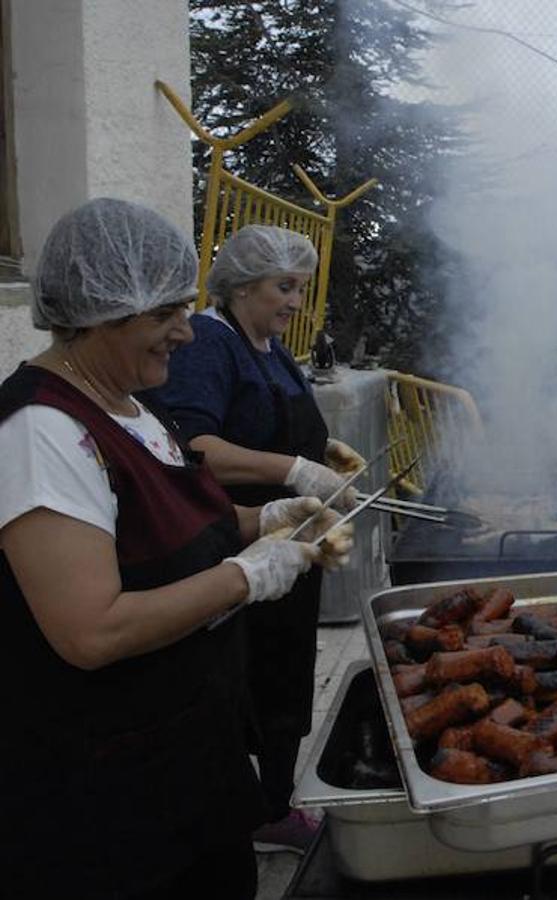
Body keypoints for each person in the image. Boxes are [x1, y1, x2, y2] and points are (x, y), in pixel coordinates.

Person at [0, 198, 353, 899]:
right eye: (165, 315)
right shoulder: (41, 434)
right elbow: (91, 631)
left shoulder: (131, 404)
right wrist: (246, 578)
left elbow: (172, 524)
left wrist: (268, 520)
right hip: (107, 800)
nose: (185, 335)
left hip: (192, 762)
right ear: (102, 312)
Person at [149, 224, 366, 853]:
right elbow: (194, 447)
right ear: (242, 285)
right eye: (284, 286)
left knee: (286, 674)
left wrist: (319, 450)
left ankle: (272, 801)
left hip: (293, 538)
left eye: (300, 288)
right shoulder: (208, 345)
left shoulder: (268, 345)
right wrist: (294, 470)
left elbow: (264, 422)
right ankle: (247, 813)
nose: (296, 302)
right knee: (244, 680)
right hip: (238, 541)